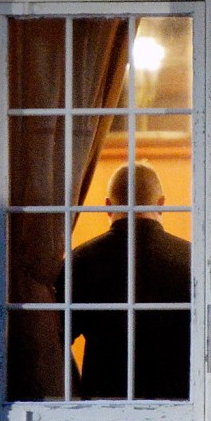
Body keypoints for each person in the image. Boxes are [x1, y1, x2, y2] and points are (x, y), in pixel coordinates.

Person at [61, 161, 191, 401]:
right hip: (180, 408)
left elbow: (54, 341)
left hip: (105, 409)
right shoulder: (193, 260)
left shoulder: (82, 260)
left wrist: (78, 392)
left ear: (107, 206)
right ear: (162, 203)